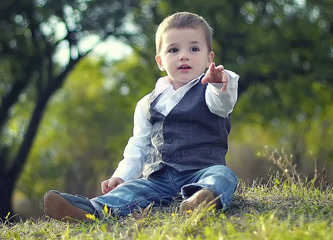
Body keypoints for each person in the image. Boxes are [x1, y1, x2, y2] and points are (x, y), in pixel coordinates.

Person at [43, 11, 239, 222]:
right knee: (131, 190)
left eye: (194, 48)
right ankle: (90, 210)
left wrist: (219, 82)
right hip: (158, 179)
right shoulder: (147, 103)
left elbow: (223, 103)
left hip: (200, 171)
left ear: (209, 58)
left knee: (223, 176)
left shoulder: (211, 89)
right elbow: (139, 145)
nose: (184, 55)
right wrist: (122, 175)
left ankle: (202, 200)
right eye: (173, 50)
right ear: (160, 62)